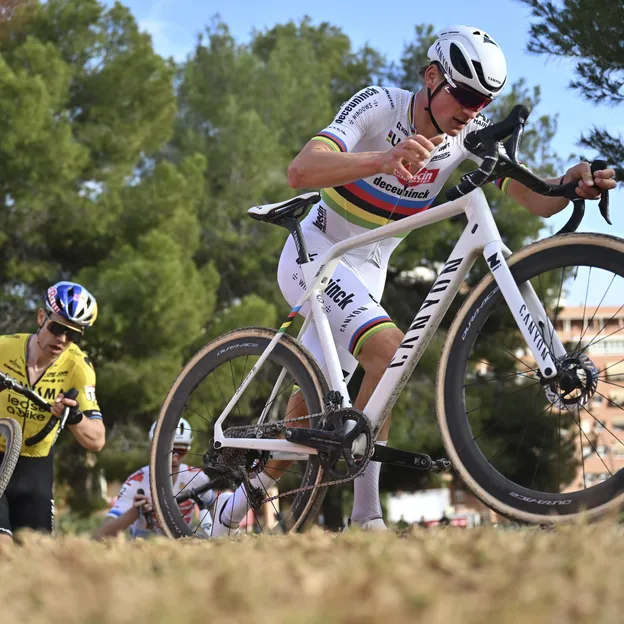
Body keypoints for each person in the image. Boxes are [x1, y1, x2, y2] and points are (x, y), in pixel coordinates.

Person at [211, 25, 617, 536]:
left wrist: (568, 184)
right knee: (390, 353)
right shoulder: (380, 104)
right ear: (431, 77)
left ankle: (232, 509)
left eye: (484, 100)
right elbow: (301, 169)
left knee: (317, 411)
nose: (472, 110)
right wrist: (384, 157)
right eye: (465, 95)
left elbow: (534, 200)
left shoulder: (468, 134)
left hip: (368, 267)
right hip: (318, 250)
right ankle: (366, 517)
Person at [0, 281, 104, 544]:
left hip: (36, 468)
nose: (62, 339)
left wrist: (75, 417)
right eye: (57, 328)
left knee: (36, 558)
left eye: (73, 335)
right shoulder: (4, 348)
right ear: (40, 317)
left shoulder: (78, 367)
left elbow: (97, 439)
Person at [96, 418, 216, 539]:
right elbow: (102, 535)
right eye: (167, 451)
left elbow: (213, 505)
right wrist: (134, 512)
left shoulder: (197, 477)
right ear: (152, 449)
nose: (174, 459)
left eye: (181, 451)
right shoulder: (136, 482)